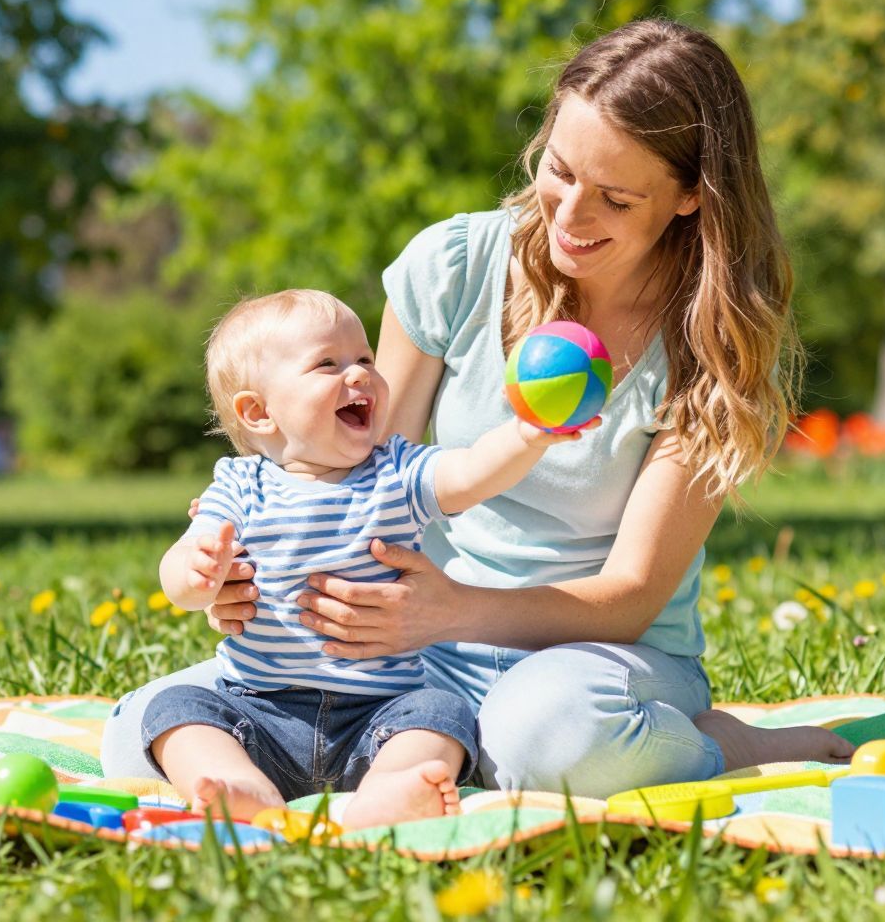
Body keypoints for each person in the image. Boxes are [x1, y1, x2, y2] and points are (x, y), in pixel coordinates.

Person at [102, 18, 853, 798]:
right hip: (420, 647)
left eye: (616, 198)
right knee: (143, 728)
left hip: (594, 658)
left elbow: (630, 597)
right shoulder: (456, 265)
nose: (568, 215)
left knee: (543, 741)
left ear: (691, 196)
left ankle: (715, 743)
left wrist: (452, 610)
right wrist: (245, 566)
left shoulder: (708, 349)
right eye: (559, 172)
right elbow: (356, 469)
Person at [145, 289, 594, 828]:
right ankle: (243, 786)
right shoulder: (239, 485)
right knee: (174, 710)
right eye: (327, 364)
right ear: (259, 412)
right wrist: (195, 573)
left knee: (442, 714)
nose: (358, 374)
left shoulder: (397, 473)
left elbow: (471, 472)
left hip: (378, 719)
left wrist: (529, 435)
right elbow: (179, 568)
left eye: (364, 359)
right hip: (259, 711)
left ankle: (389, 793)